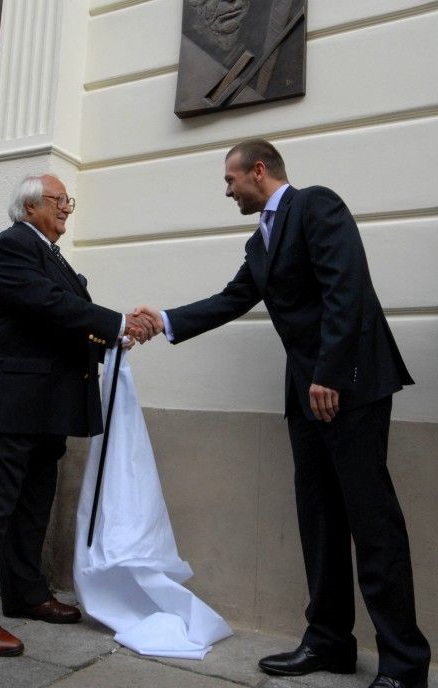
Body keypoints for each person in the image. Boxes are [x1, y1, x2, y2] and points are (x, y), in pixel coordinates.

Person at [136, 139, 430, 688]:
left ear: (259, 170)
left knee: (373, 524)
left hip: (351, 387)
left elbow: (348, 288)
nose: (227, 191)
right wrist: (165, 320)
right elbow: (231, 299)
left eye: (230, 180)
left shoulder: (317, 205)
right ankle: (328, 641)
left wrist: (330, 373)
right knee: (318, 520)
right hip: (306, 395)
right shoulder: (259, 242)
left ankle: (405, 663)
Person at [0, 173, 156, 656]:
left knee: (31, 508)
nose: (67, 208)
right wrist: (119, 322)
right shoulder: (12, 246)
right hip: (4, 406)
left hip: (43, 409)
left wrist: (113, 336)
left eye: (68, 201)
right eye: (59, 200)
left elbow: (63, 320)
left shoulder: (51, 255)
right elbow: (50, 305)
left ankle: (25, 594)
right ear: (31, 206)